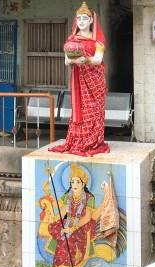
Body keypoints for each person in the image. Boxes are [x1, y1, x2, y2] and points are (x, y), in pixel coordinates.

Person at [49, 1, 110, 157]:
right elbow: (66, 61)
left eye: (85, 18)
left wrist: (85, 60)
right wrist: (73, 61)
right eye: (79, 18)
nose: (81, 21)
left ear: (91, 21)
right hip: (79, 80)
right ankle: (79, 140)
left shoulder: (98, 40)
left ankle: (94, 141)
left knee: (95, 109)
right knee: (81, 110)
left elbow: (98, 59)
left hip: (95, 80)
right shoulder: (72, 40)